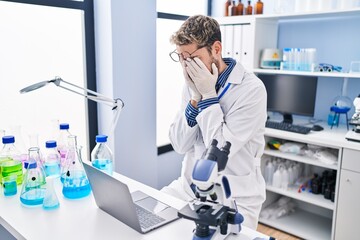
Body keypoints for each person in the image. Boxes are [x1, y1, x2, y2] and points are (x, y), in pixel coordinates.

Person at [161, 15, 267, 230]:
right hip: (190, 188)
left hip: (234, 196)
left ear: (216, 49)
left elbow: (218, 150)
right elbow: (180, 145)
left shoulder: (251, 90)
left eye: (191, 57)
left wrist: (209, 95)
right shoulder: (191, 85)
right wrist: (195, 97)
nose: (185, 65)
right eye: (180, 57)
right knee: (150, 214)